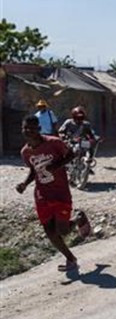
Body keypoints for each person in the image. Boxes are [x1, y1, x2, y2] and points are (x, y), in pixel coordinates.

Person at [16, 116, 92, 272]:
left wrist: (56, 166)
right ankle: (71, 259)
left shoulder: (54, 142)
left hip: (60, 192)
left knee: (63, 231)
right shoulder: (25, 152)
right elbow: (34, 170)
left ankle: (79, 218)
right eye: (26, 128)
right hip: (42, 195)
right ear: (22, 130)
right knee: (50, 232)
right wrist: (24, 184)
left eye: (32, 128)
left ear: (39, 129)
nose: (29, 131)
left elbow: (71, 154)